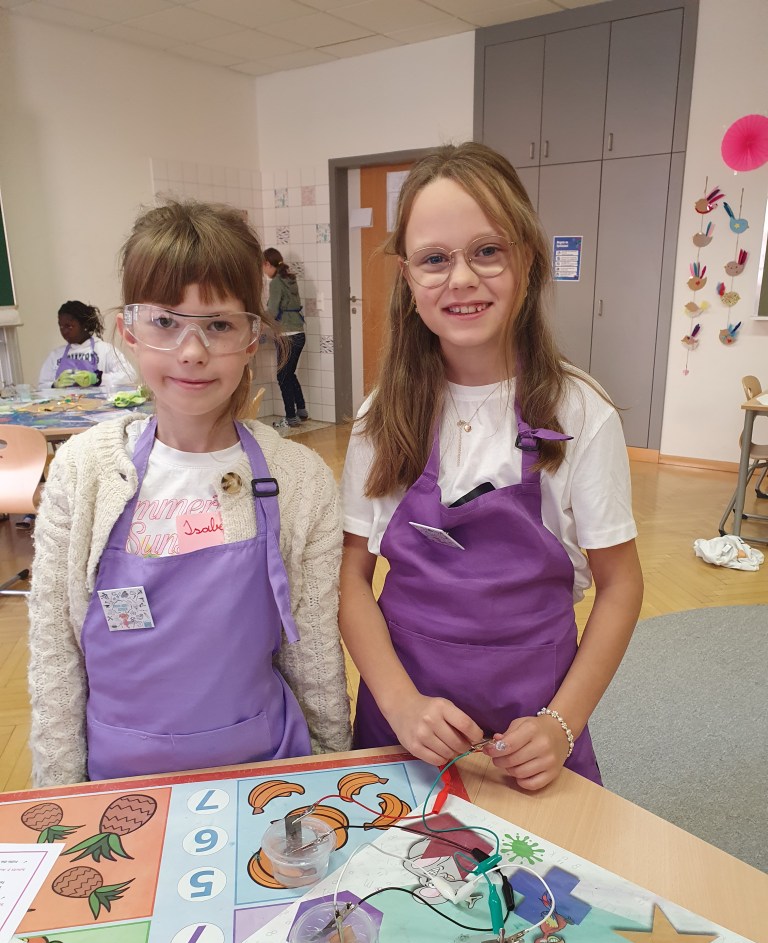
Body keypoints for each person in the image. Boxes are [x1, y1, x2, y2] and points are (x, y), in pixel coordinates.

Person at [340, 142, 643, 790]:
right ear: (407, 278)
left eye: (487, 251)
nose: (461, 278)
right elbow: (352, 580)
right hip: (404, 732)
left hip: (535, 734)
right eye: (434, 259)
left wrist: (562, 724)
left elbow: (621, 586)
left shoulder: (582, 413)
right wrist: (400, 703)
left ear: (527, 260)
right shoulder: (381, 416)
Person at [28, 200, 351, 788]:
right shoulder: (83, 471)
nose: (193, 350)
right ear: (128, 331)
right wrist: (61, 799)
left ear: (253, 338)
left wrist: (332, 772)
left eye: (219, 324)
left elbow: (313, 653)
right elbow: (55, 657)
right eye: (165, 321)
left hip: (267, 772)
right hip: (119, 781)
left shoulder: (298, 479)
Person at [38, 300, 133, 388]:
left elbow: (130, 375)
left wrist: (97, 378)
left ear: (85, 325)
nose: (64, 331)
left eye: (69, 326)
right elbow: (42, 385)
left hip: (96, 401)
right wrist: (54, 384)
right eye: (61, 326)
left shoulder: (104, 350)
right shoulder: (56, 355)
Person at [263, 248, 308, 429]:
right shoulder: (290, 279)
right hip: (299, 334)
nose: (263, 271)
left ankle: (290, 417)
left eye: (262, 267)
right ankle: (301, 411)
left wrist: (258, 321)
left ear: (267, 264)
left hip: (286, 336)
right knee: (289, 374)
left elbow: (273, 311)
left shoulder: (276, 282)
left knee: (282, 376)